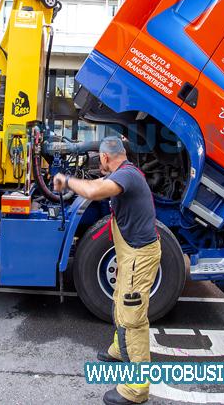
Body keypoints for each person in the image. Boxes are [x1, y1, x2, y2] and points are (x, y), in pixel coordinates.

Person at [53, 136, 160, 405]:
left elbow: (92, 191)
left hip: (139, 256)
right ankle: (118, 349)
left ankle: (136, 389)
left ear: (104, 158)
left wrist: (65, 180)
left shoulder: (127, 176)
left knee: (133, 317)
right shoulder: (126, 173)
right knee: (119, 301)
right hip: (130, 255)